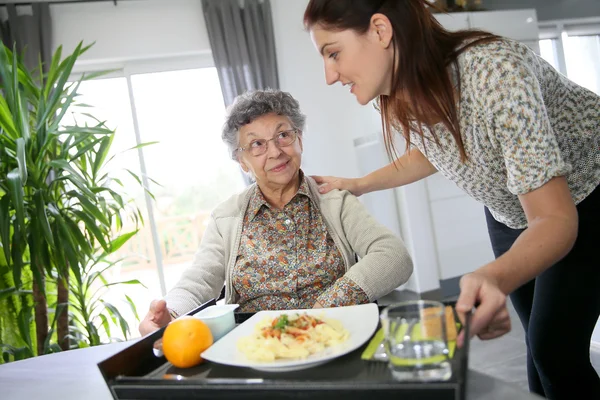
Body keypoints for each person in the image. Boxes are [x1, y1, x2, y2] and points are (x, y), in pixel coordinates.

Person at [304, 0, 600, 398]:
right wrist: (359, 184)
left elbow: (555, 219)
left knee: (556, 352)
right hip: (511, 212)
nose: (329, 75)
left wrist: (492, 275)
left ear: (380, 30)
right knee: (539, 352)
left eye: (333, 53)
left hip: (587, 194)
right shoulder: (398, 92)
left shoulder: (496, 73)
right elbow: (432, 149)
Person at [139, 89, 413, 336]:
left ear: (300, 140)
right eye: (257, 144)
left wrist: (324, 308)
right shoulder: (227, 217)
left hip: (335, 334)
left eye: (283, 135)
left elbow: (393, 256)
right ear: (242, 161)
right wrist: (170, 312)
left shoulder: (335, 200)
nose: (275, 151)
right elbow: (199, 280)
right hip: (257, 347)